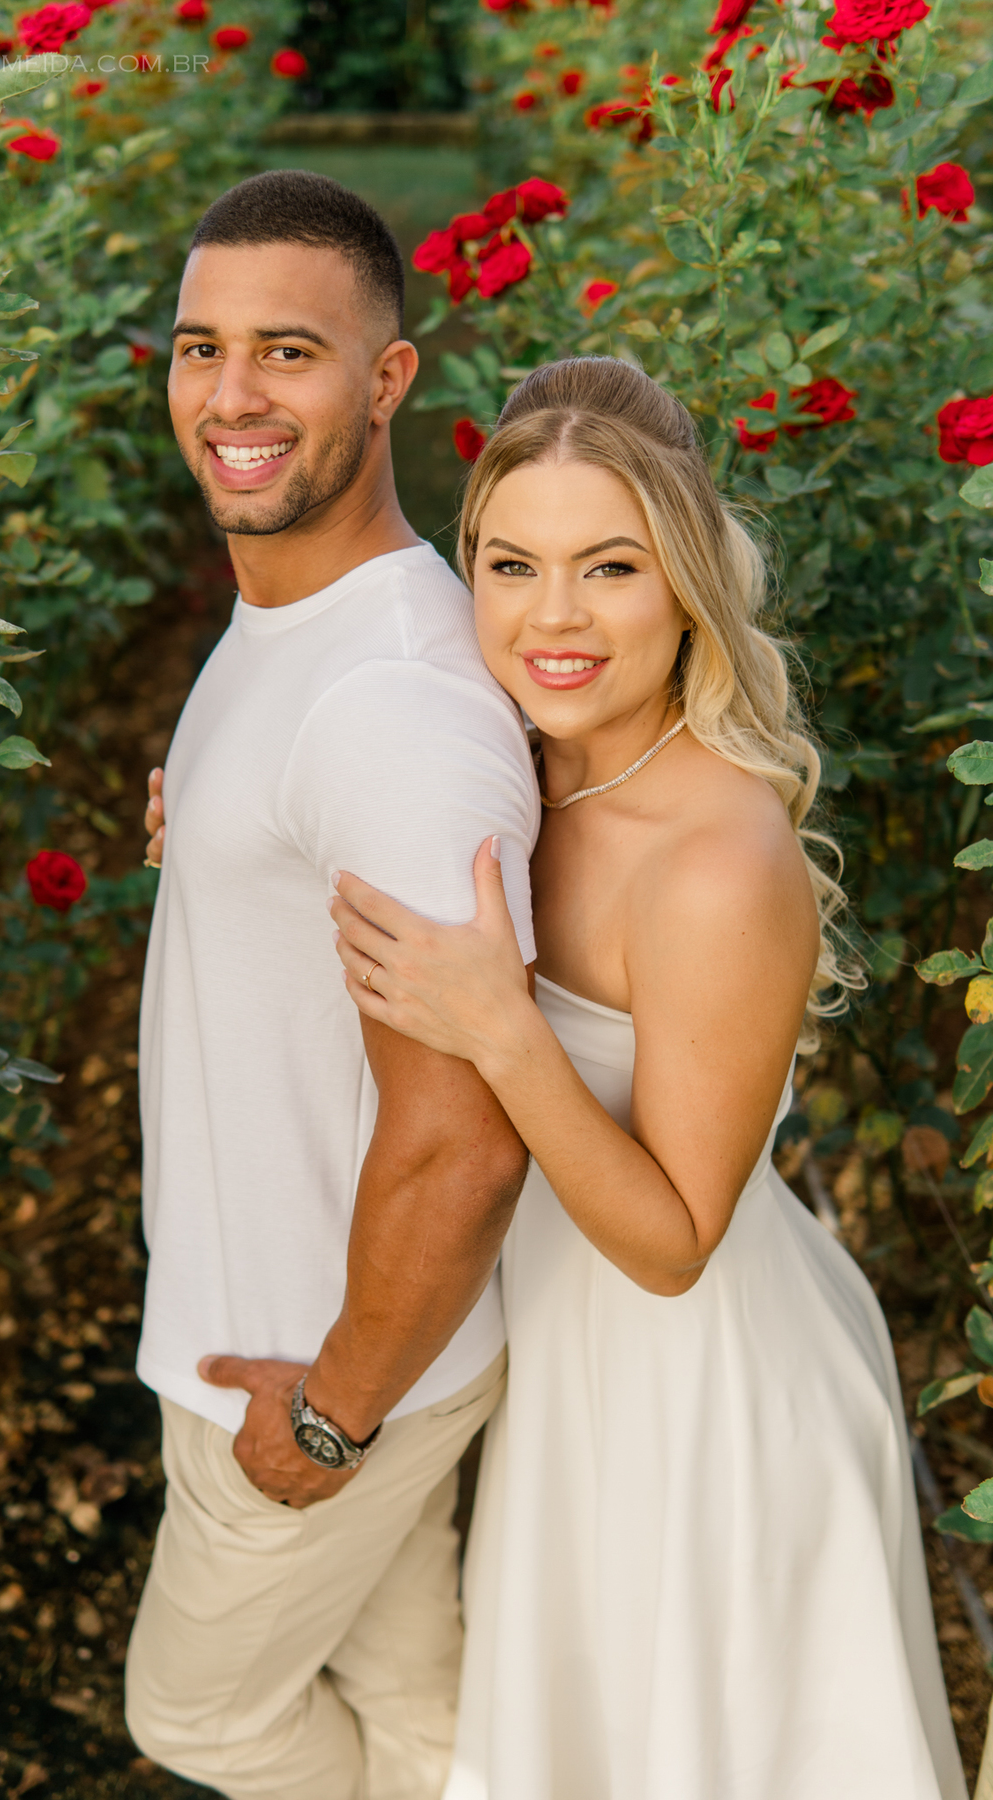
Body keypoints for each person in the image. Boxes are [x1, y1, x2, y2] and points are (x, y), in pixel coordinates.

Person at [328, 357, 967, 1800]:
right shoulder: (522, 760)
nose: (552, 618)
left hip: (708, 1399)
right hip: (571, 1362)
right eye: (512, 566)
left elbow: (676, 1245)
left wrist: (506, 1030)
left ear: (684, 583)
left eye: (607, 569)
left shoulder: (716, 863)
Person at [124, 169, 541, 1800]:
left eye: (288, 352)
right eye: (198, 346)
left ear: (387, 380)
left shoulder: (391, 707)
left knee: (205, 1719)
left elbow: (466, 1136)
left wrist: (338, 1414)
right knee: (422, 1715)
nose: (230, 396)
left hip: (315, 1362)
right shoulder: (295, 622)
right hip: (313, 1331)